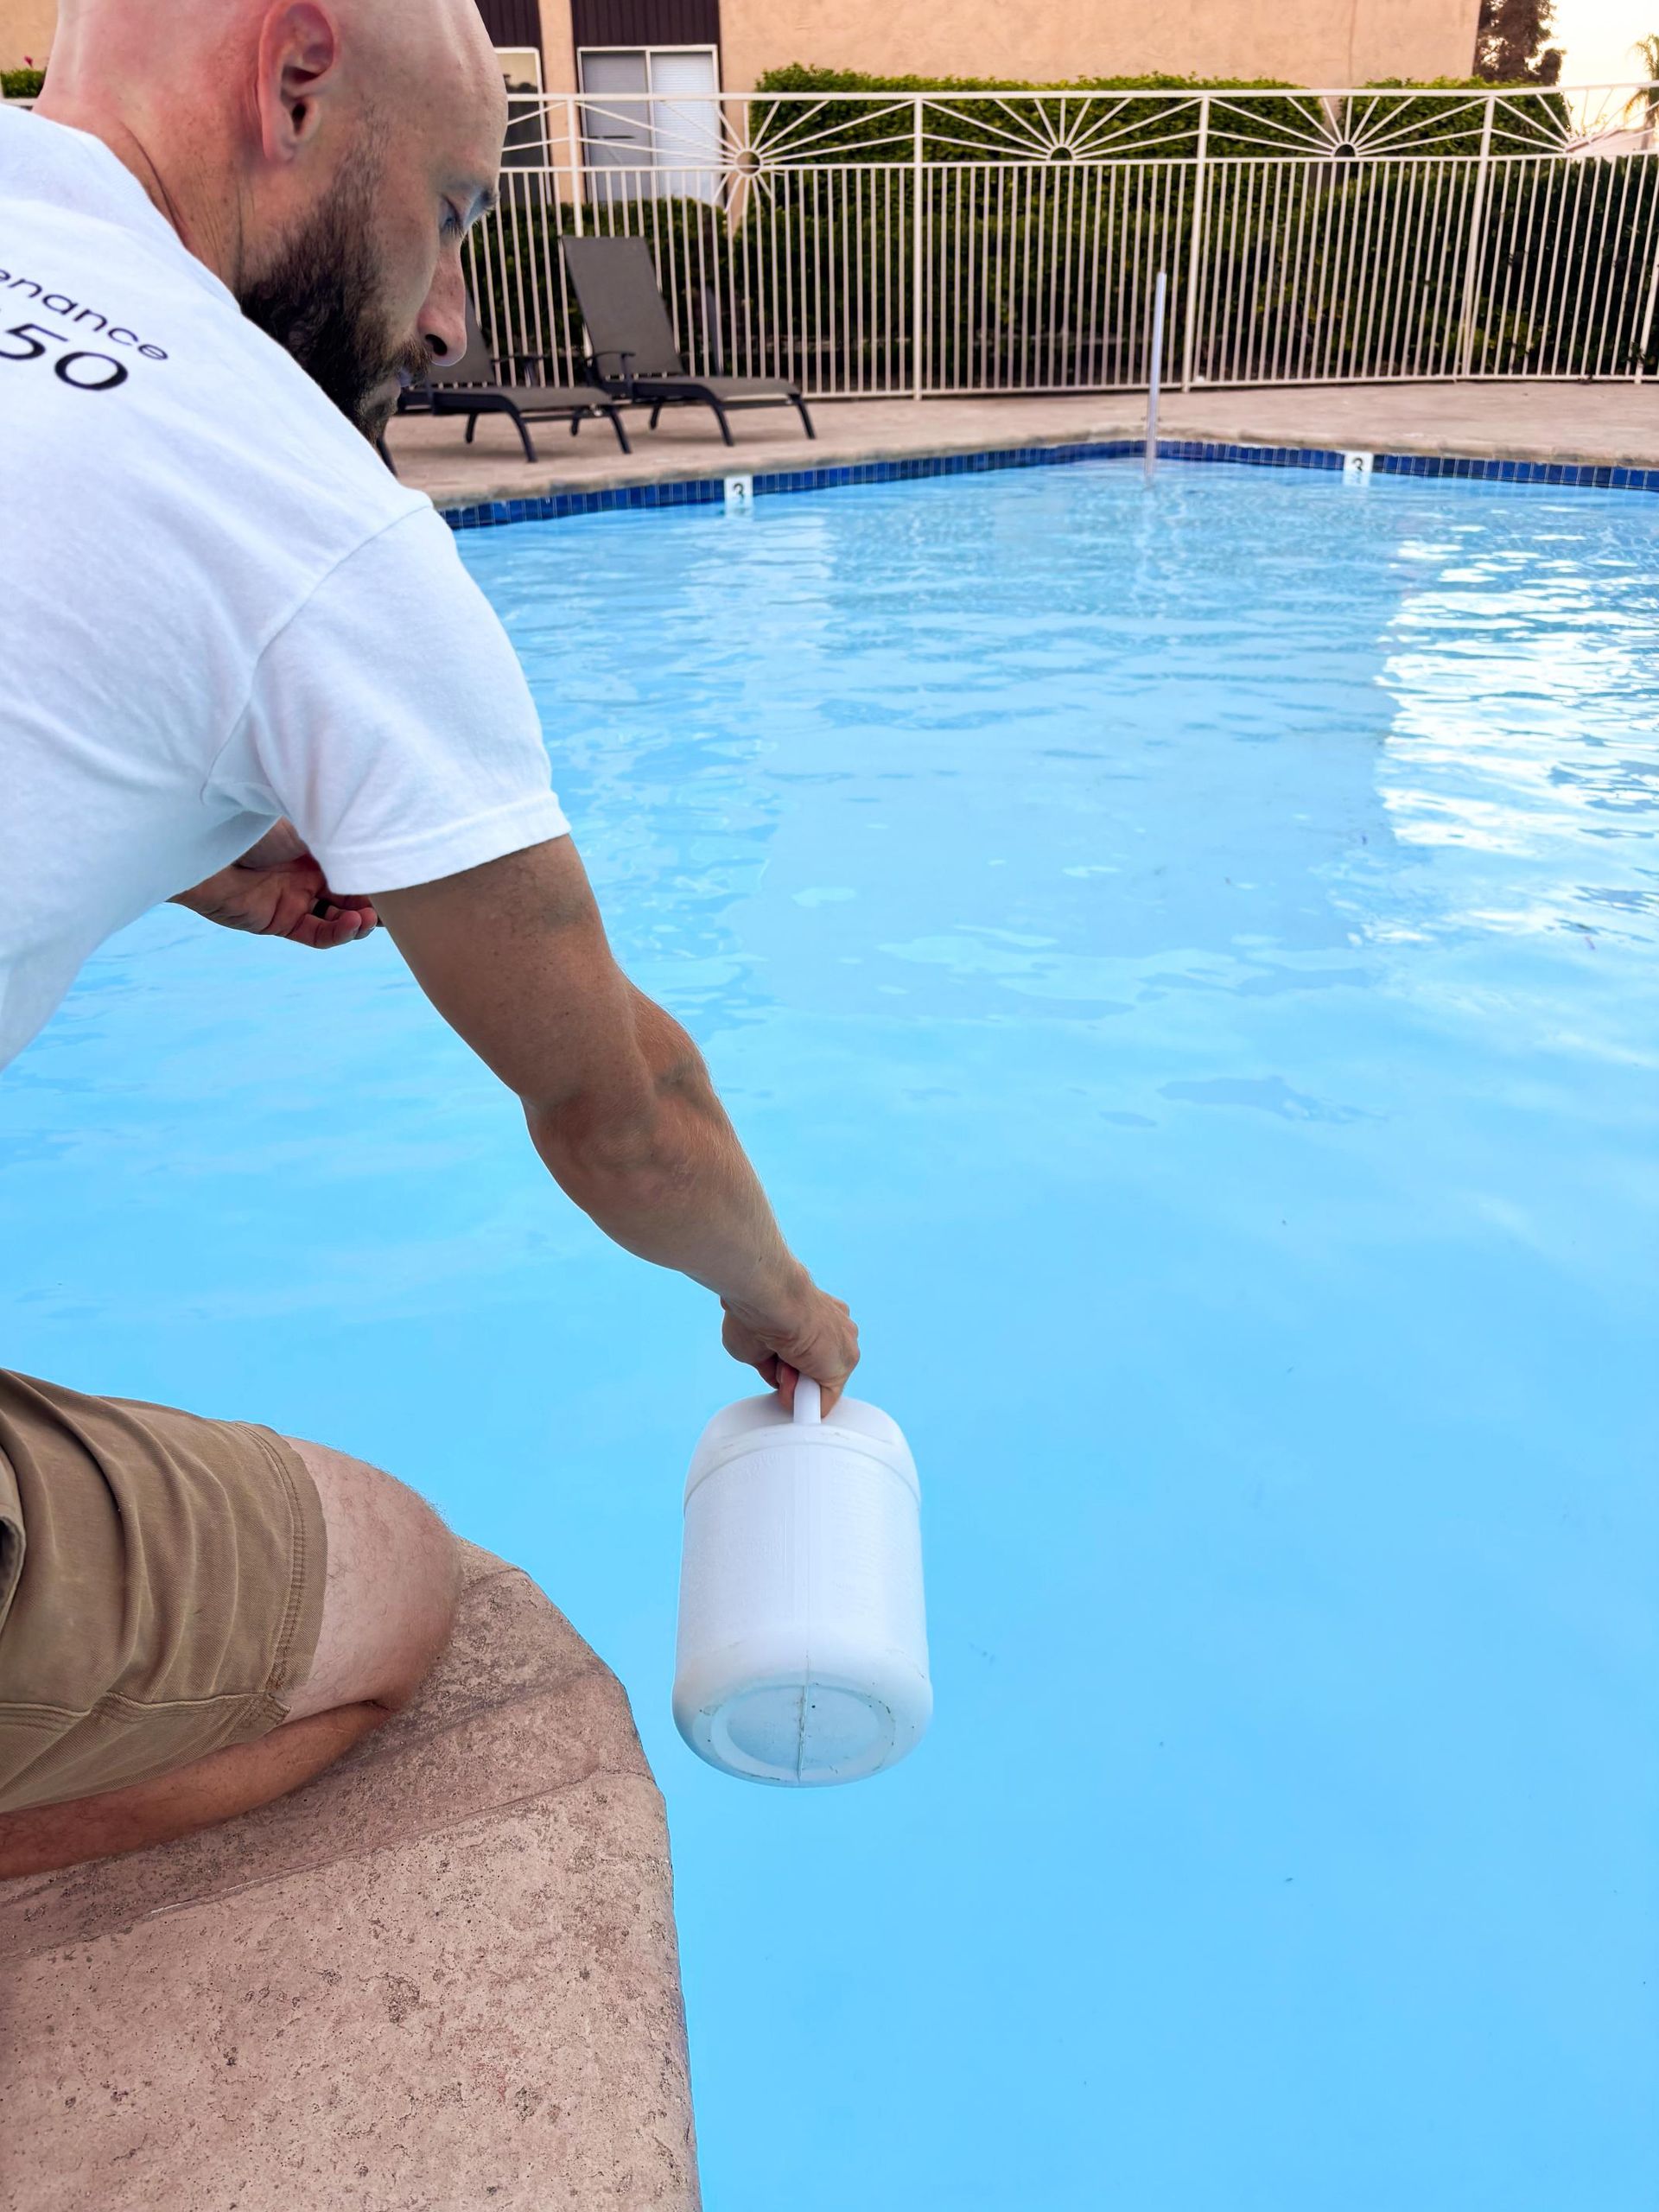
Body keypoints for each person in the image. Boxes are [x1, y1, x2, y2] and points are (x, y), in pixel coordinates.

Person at [0, 0, 858, 1880]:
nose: (454, 307)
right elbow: (616, 1099)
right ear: (296, 80)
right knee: (397, 1601)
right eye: (458, 206)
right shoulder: (300, 510)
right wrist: (777, 1301)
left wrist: (175, 849)